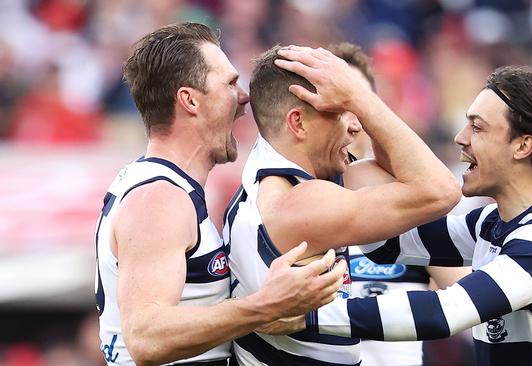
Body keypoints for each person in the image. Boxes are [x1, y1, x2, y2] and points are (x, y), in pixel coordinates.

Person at [296, 64, 532, 366]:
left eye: (477, 127)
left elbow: (444, 313)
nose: (460, 137)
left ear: (523, 145)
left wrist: (305, 317)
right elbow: (387, 243)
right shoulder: (493, 223)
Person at [94, 23, 346, 366]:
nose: (244, 97)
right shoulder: (160, 199)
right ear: (189, 100)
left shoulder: (161, 186)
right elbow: (145, 337)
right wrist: (266, 304)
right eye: (229, 83)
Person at [223, 44, 461, 365]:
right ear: (298, 123)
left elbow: (405, 175)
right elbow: (440, 190)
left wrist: (355, 96)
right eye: (340, 111)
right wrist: (361, 99)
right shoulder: (299, 206)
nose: (356, 125)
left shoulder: (292, 178)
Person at [327, 41, 470, 366]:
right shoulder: (287, 197)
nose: (349, 121)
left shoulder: (407, 201)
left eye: (356, 105)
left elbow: (470, 297)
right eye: (336, 105)